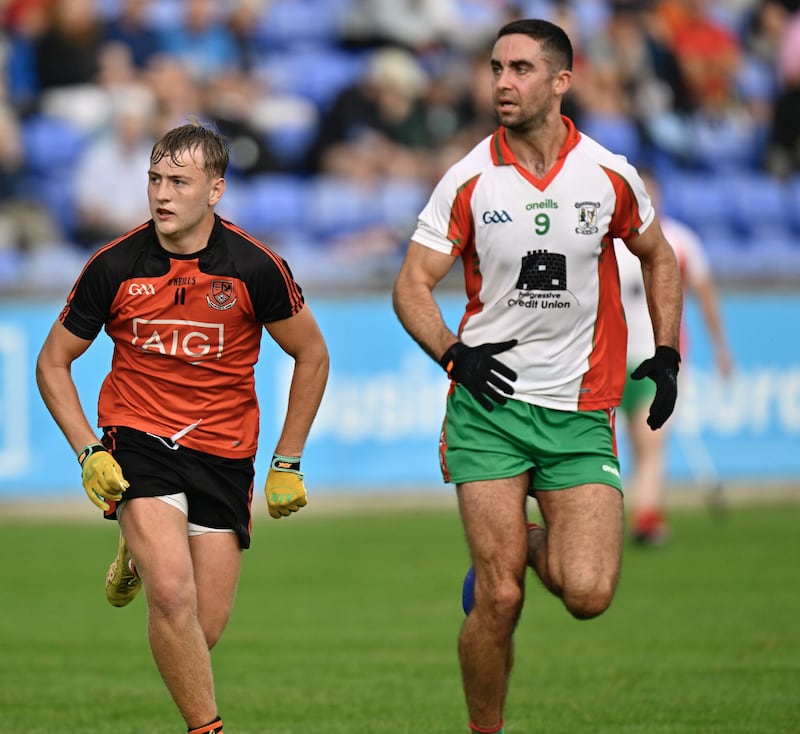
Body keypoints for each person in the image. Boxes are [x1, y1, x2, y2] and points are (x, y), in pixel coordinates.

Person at [392, 19, 683, 734]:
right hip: (488, 408)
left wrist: (668, 352)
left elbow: (661, 257)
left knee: (588, 593)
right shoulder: (467, 177)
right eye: (495, 68)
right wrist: (454, 355)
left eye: (520, 68)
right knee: (500, 599)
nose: (501, 82)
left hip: (582, 410)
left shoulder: (609, 174)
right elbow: (409, 286)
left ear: (561, 80)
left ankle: (512, 538)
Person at [35, 120, 329, 734]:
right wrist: (89, 450)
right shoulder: (113, 266)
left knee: (202, 628)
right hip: (137, 438)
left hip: (223, 451)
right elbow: (52, 362)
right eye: (154, 179)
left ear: (215, 190)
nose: (161, 194)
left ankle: (133, 552)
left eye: (178, 181)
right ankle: (207, 729)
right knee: (172, 595)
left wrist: (288, 459)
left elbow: (313, 355)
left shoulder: (255, 266)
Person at [616, 168, 732, 545]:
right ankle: (642, 513)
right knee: (633, 441)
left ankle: (647, 517)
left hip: (660, 356)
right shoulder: (613, 242)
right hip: (616, 357)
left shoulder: (680, 241)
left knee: (651, 440)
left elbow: (705, 293)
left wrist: (720, 348)